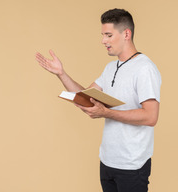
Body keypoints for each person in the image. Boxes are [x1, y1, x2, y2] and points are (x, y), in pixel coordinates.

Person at [35, 8, 161, 192]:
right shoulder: (111, 68)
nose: (103, 41)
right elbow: (85, 96)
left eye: (108, 35)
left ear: (126, 33)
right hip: (108, 161)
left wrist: (106, 112)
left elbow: (151, 117)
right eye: (103, 35)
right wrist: (61, 74)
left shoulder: (144, 68)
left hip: (132, 166)